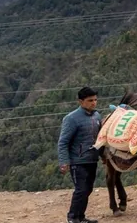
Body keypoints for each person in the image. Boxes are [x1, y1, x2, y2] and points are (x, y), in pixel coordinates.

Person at [58, 86, 102, 223]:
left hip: (92, 160)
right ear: (81, 101)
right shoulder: (71, 118)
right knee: (81, 190)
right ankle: (72, 218)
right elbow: (63, 142)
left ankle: (81, 217)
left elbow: (101, 138)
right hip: (78, 161)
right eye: (90, 100)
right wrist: (64, 162)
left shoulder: (97, 116)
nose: (93, 103)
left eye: (95, 100)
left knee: (88, 189)